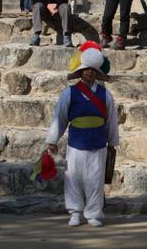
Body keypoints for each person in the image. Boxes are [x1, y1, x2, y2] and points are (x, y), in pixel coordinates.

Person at [46, 42, 119, 227]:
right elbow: (60, 117)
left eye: (93, 70)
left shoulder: (105, 95)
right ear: (80, 71)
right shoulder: (69, 93)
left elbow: (111, 119)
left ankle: (94, 212)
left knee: (95, 179)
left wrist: (112, 141)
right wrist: (53, 140)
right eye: (86, 70)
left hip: (98, 141)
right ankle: (75, 212)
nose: (90, 73)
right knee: (74, 178)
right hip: (76, 142)